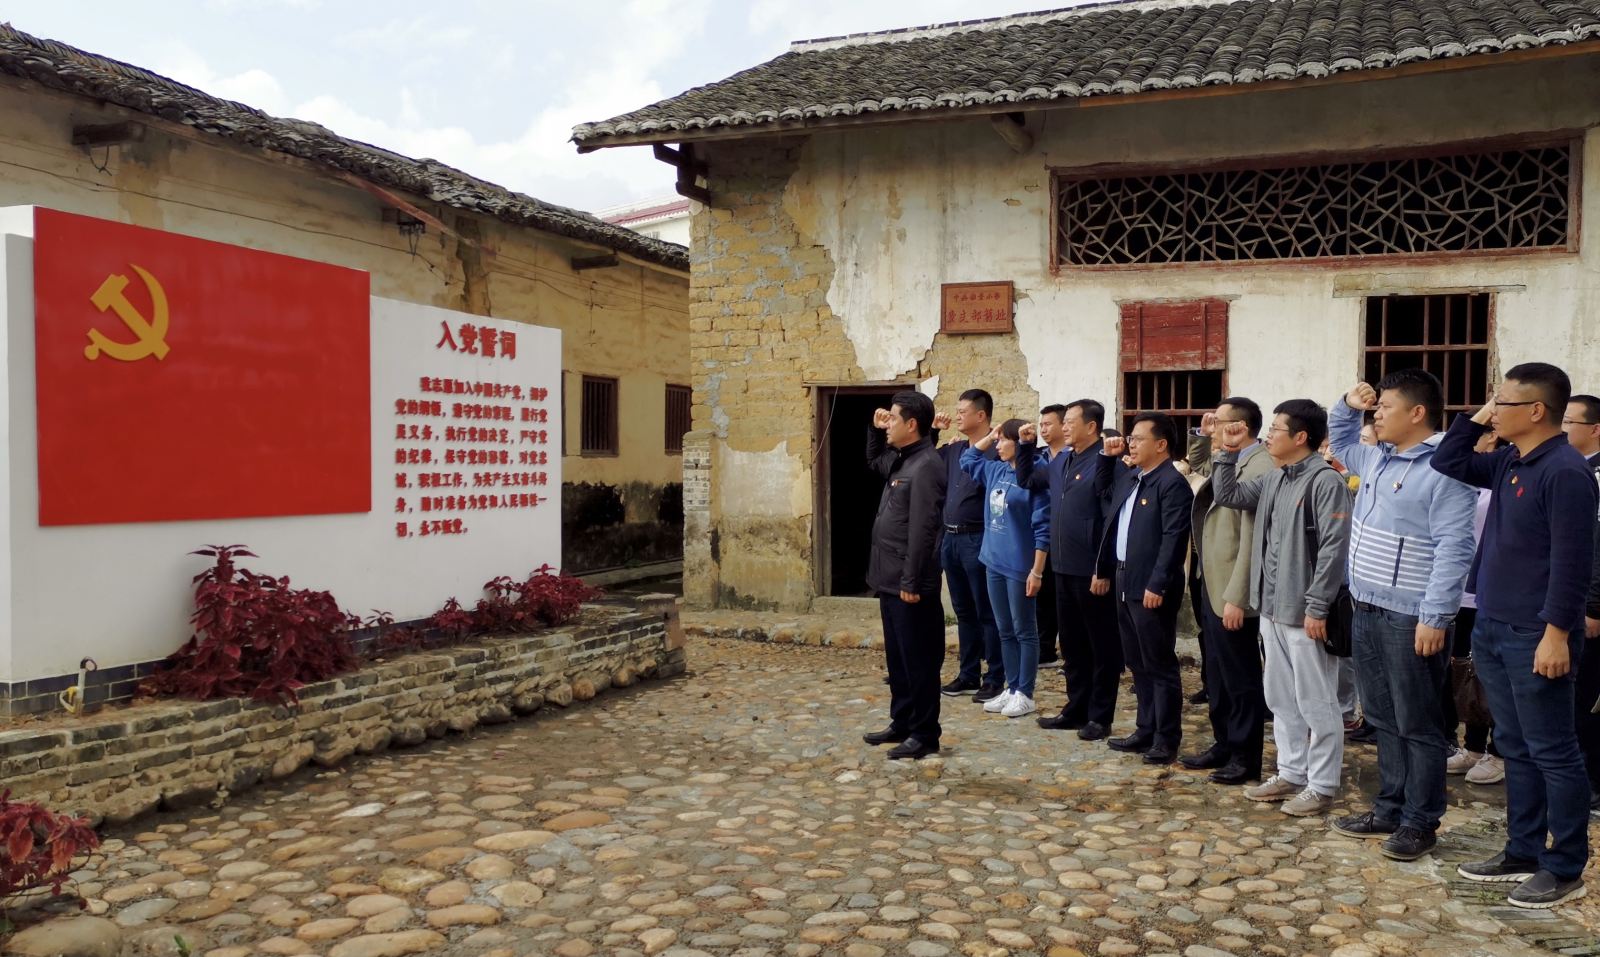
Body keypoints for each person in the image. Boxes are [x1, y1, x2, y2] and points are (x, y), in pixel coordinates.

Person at [1433, 362, 1596, 908]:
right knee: (1516, 746)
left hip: (1536, 633)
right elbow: (1449, 459)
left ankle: (1565, 864)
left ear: (1536, 410)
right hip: (1494, 625)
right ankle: (1522, 850)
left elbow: (1573, 562)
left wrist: (1557, 634)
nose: (1494, 412)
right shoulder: (1511, 460)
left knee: (1554, 750)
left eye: (1504, 403)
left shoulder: (1566, 472)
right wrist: (1482, 412)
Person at [1326, 372, 1477, 861]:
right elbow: (1341, 440)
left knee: (1418, 723)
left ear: (1417, 413)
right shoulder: (1377, 457)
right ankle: (1389, 807)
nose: (1377, 415)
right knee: (1383, 717)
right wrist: (1347, 403)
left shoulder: (1446, 467)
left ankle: (1420, 821)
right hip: (1367, 606)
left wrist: (1436, 615)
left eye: (1385, 407)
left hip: (1411, 616)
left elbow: (1455, 547)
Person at [1213, 399, 1352, 817]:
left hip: (1305, 613)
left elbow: (1333, 549)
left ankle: (1322, 784)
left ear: (1300, 437)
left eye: (1276, 429)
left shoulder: (1325, 482)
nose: (1269, 435)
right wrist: (1227, 451)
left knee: (1317, 701)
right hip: (1271, 608)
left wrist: (1318, 606)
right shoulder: (1275, 478)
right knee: (1280, 698)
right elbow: (1228, 494)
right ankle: (1291, 771)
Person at [1014, 400, 1122, 741]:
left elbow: (1111, 519)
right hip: (1062, 567)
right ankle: (1076, 708)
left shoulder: (1106, 461)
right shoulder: (1061, 460)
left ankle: (1100, 716)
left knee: (1100, 647)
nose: (1063, 427)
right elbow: (1027, 479)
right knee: (1072, 646)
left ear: (1091, 426)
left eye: (1070, 421)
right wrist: (1026, 446)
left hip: (1092, 571)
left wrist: (1103, 568)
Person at [1092, 413, 1194, 764]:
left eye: (1138, 439)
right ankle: (1145, 728)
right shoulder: (1134, 477)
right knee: (1136, 661)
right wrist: (1106, 459)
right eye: (1130, 438)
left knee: (1158, 663)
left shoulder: (1171, 484)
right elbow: (1104, 495)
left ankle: (1166, 738)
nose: (1130, 444)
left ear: (1161, 445)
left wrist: (1158, 583)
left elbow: (1173, 539)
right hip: (1124, 577)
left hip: (1150, 584)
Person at [1181, 398, 1273, 785]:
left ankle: (1245, 755)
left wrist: (1238, 595)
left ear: (1240, 427)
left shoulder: (1261, 464)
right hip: (1211, 579)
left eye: (1218, 422)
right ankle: (1223, 742)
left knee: (1240, 676)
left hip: (1233, 588)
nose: (1213, 426)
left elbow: (1251, 541)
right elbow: (1202, 467)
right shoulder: (1230, 459)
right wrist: (1204, 437)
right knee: (1216, 672)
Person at [862, 393, 948, 761]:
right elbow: (874, 461)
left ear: (912, 425)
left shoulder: (926, 465)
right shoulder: (903, 460)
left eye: (893, 419)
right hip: (889, 577)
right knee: (898, 660)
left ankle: (924, 733)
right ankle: (902, 721)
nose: (888, 425)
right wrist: (874, 428)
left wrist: (911, 581)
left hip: (909, 583)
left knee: (919, 661)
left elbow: (924, 530)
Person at [962, 419, 1051, 719]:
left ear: (1018, 442)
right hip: (993, 561)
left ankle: (1026, 692)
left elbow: (1043, 528)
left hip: (1019, 565)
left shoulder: (1035, 477)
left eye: (1002, 440)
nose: (997, 446)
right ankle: (1011, 687)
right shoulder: (996, 470)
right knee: (1004, 630)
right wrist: (989, 436)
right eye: (996, 441)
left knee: (1024, 629)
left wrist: (1036, 571)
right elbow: (968, 459)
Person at [930, 390, 1004, 700]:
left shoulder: (998, 451)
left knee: (987, 610)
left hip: (978, 537)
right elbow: (923, 460)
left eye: (963, 411)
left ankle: (995, 677)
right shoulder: (954, 450)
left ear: (981, 415)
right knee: (963, 611)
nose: (957, 416)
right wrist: (934, 431)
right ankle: (968, 673)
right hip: (950, 539)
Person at [1562, 393, 1600, 807]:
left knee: (1587, 699)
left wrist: (1593, 606)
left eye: (1569, 422)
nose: (1562, 428)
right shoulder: (1571, 468)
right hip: (1569, 602)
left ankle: (1591, 781)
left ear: (1595, 429)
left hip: (1588, 609)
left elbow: (1596, 549)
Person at [1034, 404, 1070, 668]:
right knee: (1042, 595)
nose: (1043, 429)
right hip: (1040, 533)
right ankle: (1044, 648)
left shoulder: (1074, 456)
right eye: (1041, 425)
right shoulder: (1038, 457)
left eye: (1048, 424)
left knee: (1064, 598)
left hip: (1066, 535)